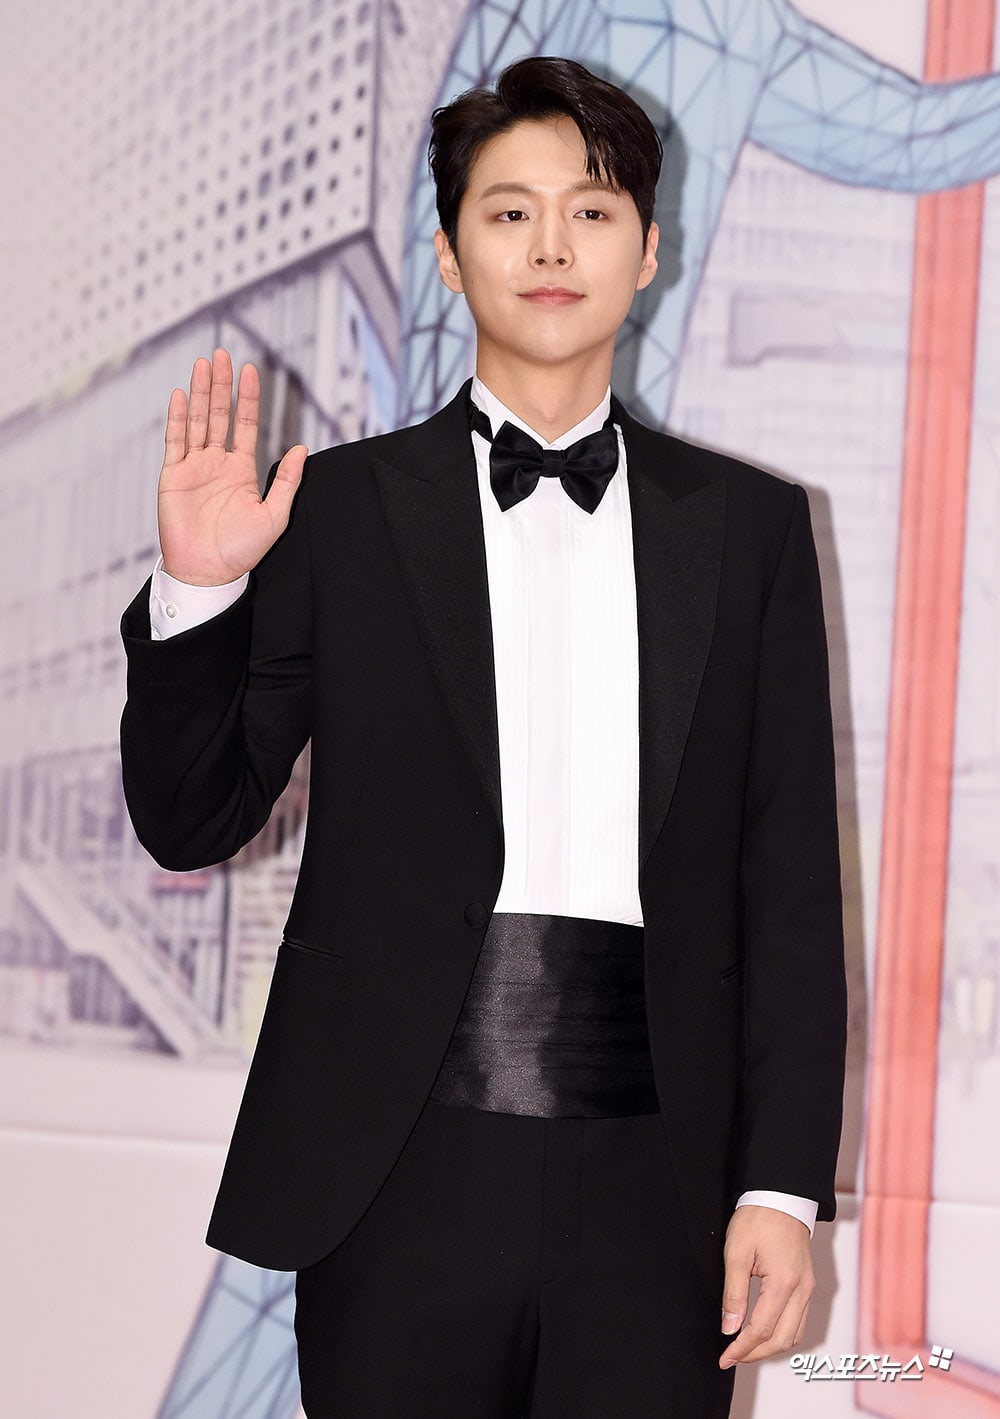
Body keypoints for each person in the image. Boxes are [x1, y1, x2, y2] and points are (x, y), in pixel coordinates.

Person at [119, 56, 847, 1419]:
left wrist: (781, 1187)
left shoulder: (751, 531)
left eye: (592, 211)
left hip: (663, 1183)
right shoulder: (335, 511)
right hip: (395, 1172)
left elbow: (792, 889)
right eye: (510, 213)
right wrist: (200, 592)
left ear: (648, 251)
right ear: (451, 257)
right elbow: (190, 817)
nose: (552, 247)